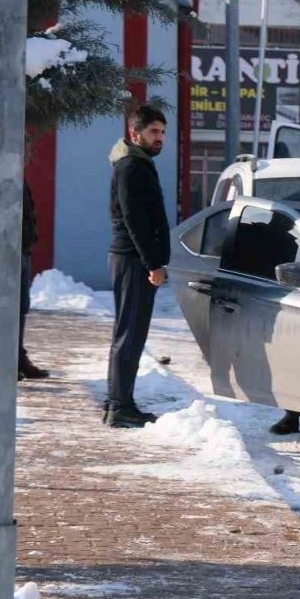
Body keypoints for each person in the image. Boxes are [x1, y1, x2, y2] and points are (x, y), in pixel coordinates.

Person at [105, 105, 171, 428]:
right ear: (135, 133)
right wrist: (153, 263)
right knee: (130, 333)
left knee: (128, 332)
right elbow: (135, 220)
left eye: (163, 132)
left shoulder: (138, 163)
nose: (160, 138)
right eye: (153, 131)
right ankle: (120, 406)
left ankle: (117, 401)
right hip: (133, 260)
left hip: (134, 259)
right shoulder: (132, 166)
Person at [18, 179, 50, 381]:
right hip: (10, 253)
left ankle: (18, 358)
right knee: (9, 310)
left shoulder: (21, 180)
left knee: (21, 308)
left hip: (23, 251)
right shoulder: (6, 174)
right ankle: (10, 360)